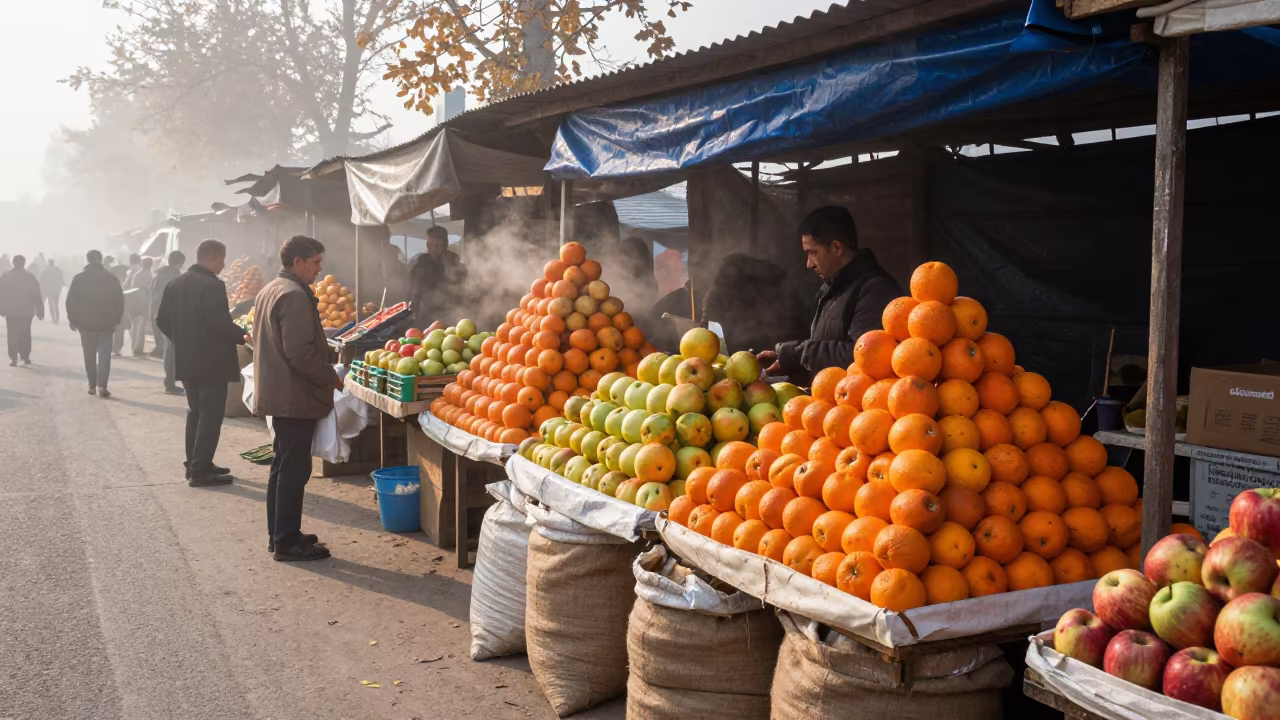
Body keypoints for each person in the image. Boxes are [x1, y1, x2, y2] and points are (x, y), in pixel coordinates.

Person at [253, 235, 339, 561]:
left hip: (280, 392)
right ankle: (286, 542)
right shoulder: (293, 295)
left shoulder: (271, 288)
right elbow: (300, 354)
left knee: (282, 465)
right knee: (293, 468)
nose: (319, 269)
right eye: (315, 263)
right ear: (298, 263)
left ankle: (280, 533)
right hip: (293, 395)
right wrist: (331, 377)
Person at [756, 206, 901, 383]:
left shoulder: (876, 291)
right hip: (828, 403)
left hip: (856, 405)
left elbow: (860, 355)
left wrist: (795, 353)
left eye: (812, 252)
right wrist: (787, 359)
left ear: (836, 247)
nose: (809, 264)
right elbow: (826, 347)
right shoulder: (834, 287)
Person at [156, 240, 244, 487]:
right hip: (212, 361)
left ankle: (196, 462)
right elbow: (219, 323)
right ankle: (200, 471)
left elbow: (161, 319)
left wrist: (182, 340)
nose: (223, 265)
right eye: (222, 259)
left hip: (187, 360)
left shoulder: (175, 284)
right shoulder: (212, 285)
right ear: (212, 257)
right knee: (210, 416)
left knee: (195, 412)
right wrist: (242, 335)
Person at [66, 250, 125, 397]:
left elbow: (70, 301)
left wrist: (73, 320)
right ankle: (102, 387)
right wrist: (117, 320)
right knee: (105, 356)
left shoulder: (79, 278)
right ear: (101, 260)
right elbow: (120, 301)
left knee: (89, 355)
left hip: (85, 325)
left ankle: (92, 385)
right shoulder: (111, 278)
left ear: (87, 260)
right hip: (106, 324)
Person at [407, 226, 467, 326]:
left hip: (449, 317)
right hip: (424, 317)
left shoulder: (454, 263)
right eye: (429, 245)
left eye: (437, 246)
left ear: (446, 245)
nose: (433, 250)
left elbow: (463, 292)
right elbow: (412, 290)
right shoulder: (421, 263)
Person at [0, 255, 45, 366]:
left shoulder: (6, 276)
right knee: (25, 333)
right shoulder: (30, 277)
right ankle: (25, 356)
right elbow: (36, 294)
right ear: (24, 263)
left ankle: (13, 358)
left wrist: (2, 308)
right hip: (26, 311)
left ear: (13, 262)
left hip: (11, 311)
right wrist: (40, 310)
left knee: (12, 334)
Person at [151, 250, 186, 392]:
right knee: (171, 351)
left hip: (159, 315)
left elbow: (153, 294)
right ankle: (170, 384)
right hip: (172, 316)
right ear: (179, 263)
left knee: (169, 349)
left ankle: (169, 381)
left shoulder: (158, 275)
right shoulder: (175, 278)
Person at [127, 256, 154, 356]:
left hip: (135, 302)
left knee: (134, 325)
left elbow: (133, 287)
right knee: (141, 327)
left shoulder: (137, 275)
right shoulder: (151, 275)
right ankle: (138, 349)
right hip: (144, 302)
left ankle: (134, 346)